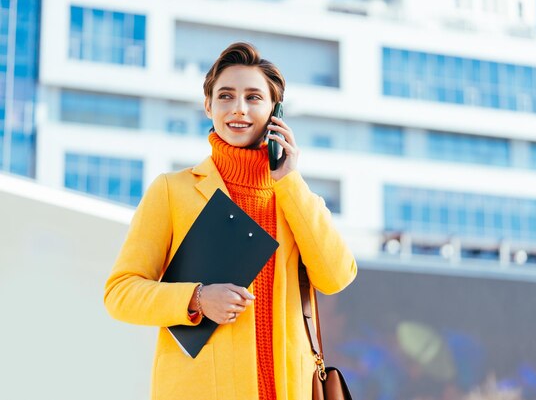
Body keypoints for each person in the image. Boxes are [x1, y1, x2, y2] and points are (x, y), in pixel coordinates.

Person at [103, 42, 357, 400]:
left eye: (254, 97)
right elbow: (120, 293)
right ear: (209, 105)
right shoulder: (172, 191)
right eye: (226, 96)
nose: (238, 109)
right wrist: (197, 298)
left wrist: (289, 181)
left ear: (275, 111)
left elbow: (336, 277)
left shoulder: (295, 198)